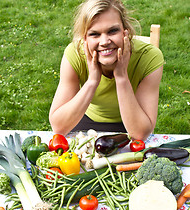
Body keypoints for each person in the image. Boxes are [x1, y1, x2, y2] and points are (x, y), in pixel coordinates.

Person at [49, 0, 164, 141]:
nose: (104, 41)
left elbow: (140, 134)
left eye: (112, 31)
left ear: (125, 31)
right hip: (85, 119)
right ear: (85, 39)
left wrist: (121, 76)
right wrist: (92, 81)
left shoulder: (149, 58)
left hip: (130, 123)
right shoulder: (75, 54)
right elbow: (58, 127)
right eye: (94, 34)